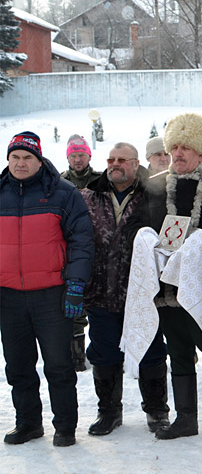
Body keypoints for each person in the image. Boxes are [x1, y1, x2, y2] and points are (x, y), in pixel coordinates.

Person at [126, 112, 202, 444]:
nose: (178, 154)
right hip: (166, 289)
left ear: (201, 151)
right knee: (179, 354)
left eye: (186, 148)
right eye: (174, 147)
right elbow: (133, 224)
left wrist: (199, 242)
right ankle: (185, 419)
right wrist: (146, 238)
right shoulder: (154, 184)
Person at [0, 132, 94, 447]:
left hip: (51, 295)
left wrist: (76, 284)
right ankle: (28, 423)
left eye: (27, 157)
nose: (20, 163)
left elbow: (82, 241)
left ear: (39, 161)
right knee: (18, 365)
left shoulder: (63, 193)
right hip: (8, 296)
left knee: (59, 364)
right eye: (15, 157)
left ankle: (65, 427)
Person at [81, 142, 170, 436]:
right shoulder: (89, 196)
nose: (115, 164)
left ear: (135, 163)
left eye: (122, 159)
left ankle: (157, 411)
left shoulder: (155, 193)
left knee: (152, 351)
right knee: (103, 353)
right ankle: (108, 412)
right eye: (111, 159)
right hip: (101, 289)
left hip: (144, 291)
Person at [60, 134, 102, 372]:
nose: (78, 159)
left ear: (89, 156)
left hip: (100, 249)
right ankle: (77, 357)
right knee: (74, 307)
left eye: (82, 155)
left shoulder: (100, 180)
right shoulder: (59, 182)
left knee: (101, 305)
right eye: (74, 155)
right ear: (68, 157)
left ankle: (105, 351)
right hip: (71, 251)